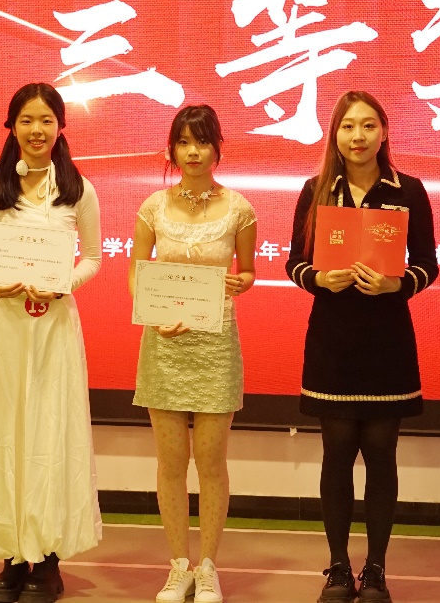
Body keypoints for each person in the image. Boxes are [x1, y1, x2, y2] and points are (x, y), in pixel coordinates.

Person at [285, 90, 437, 603]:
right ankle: (337, 568)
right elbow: (294, 262)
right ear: (335, 134)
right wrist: (318, 278)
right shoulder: (316, 190)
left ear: (384, 132)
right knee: (336, 455)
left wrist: (398, 284)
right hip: (333, 341)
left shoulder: (408, 190)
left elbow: (428, 265)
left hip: (387, 342)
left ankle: (375, 570)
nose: (358, 136)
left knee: (381, 455)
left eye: (368, 125)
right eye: (348, 126)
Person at [0, 83, 102, 603]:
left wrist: (63, 283)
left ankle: (48, 561)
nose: (36, 130)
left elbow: (93, 258)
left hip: (53, 329)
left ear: (60, 126)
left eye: (46, 120)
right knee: (3, 434)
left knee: (49, 435)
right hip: (2, 326)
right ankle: (11, 559)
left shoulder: (78, 190)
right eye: (26, 120)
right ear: (12, 126)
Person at [130, 105, 257, 603]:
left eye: (202, 142)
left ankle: (207, 569)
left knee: (211, 463)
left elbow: (247, 271)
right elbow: (137, 270)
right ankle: (178, 567)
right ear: (172, 149)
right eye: (183, 142)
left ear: (216, 148)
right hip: (163, 343)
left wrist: (241, 282)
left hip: (215, 343)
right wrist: (151, 312)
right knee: (170, 463)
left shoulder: (239, 208)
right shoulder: (152, 207)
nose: (193, 152)